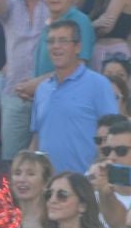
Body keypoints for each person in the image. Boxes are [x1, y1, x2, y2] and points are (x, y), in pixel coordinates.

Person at [0, 0, 54, 160]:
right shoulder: (11, 5)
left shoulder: (55, 5)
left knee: (47, 158)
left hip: (49, 92)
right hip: (15, 92)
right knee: (13, 160)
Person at [30, 21, 117, 174]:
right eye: (51, 41)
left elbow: (114, 136)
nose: (56, 46)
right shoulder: (42, 89)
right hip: (49, 190)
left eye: (63, 41)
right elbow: (37, 139)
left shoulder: (98, 85)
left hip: (85, 187)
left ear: (78, 47)